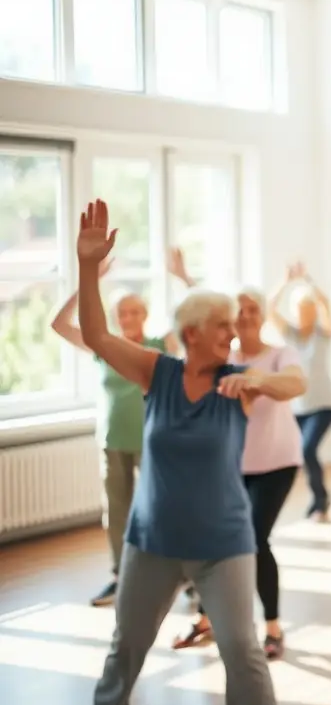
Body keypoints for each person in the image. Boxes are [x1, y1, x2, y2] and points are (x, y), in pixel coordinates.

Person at [76, 199, 294, 705]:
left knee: (242, 654)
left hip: (224, 545)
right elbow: (96, 336)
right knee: (127, 647)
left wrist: (259, 379)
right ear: (192, 333)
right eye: (221, 325)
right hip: (153, 541)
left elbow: (296, 384)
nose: (233, 333)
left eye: (233, 325)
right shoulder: (160, 372)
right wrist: (87, 270)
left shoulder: (238, 382)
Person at [50, 249, 193, 607]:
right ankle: (120, 576)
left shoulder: (161, 346)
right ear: (114, 318)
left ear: (145, 315)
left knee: (162, 508)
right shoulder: (106, 347)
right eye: (121, 313)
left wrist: (183, 278)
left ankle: (184, 574)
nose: (128, 317)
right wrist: (90, 281)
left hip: (153, 441)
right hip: (113, 439)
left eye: (135, 311)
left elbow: (195, 321)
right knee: (117, 512)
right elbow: (58, 324)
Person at [173, 287, 307, 658]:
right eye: (240, 311)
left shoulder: (281, 354)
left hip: (277, 462)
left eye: (253, 310)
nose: (246, 316)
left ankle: (273, 627)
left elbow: (296, 384)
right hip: (231, 465)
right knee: (216, 539)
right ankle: (206, 617)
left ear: (262, 316)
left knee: (253, 538)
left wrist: (254, 380)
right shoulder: (222, 358)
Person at [268, 262, 331, 522]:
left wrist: (308, 280)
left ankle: (320, 501)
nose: (304, 313)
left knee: (307, 450)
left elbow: (326, 304)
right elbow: (268, 309)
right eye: (299, 309)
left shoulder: (324, 334)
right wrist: (285, 281)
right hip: (297, 408)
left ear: (313, 310)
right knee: (300, 454)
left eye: (308, 308)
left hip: (324, 405)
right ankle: (319, 499)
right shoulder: (290, 335)